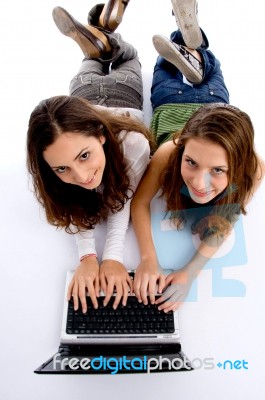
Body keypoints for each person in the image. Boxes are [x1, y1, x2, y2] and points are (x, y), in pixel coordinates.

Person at [131, 0, 265, 311]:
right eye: (191, 162)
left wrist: (190, 273)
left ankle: (188, 41)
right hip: (210, 103)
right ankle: (193, 44)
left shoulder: (254, 167)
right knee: (209, 64)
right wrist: (148, 258)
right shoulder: (171, 149)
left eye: (218, 170)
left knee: (168, 63)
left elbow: (227, 217)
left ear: (239, 164)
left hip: (192, 102)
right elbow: (139, 202)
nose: (200, 182)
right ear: (183, 148)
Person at [26, 0, 152, 314]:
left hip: (121, 93)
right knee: (96, 55)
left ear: (100, 135)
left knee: (124, 56)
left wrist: (111, 257)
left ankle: (104, 34)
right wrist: (87, 258)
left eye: (85, 156)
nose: (82, 177)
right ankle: (101, 32)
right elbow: (75, 200)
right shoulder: (52, 150)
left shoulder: (133, 144)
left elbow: (121, 200)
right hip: (81, 93)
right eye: (62, 168)